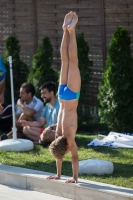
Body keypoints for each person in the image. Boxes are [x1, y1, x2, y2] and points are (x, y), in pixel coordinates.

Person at [47, 11, 81, 183]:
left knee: (72, 61)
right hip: (61, 94)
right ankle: (64, 30)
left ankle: (72, 30)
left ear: (66, 147)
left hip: (72, 95)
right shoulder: (58, 135)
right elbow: (58, 154)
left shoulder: (68, 138)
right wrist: (58, 175)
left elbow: (74, 158)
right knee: (64, 61)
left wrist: (74, 178)